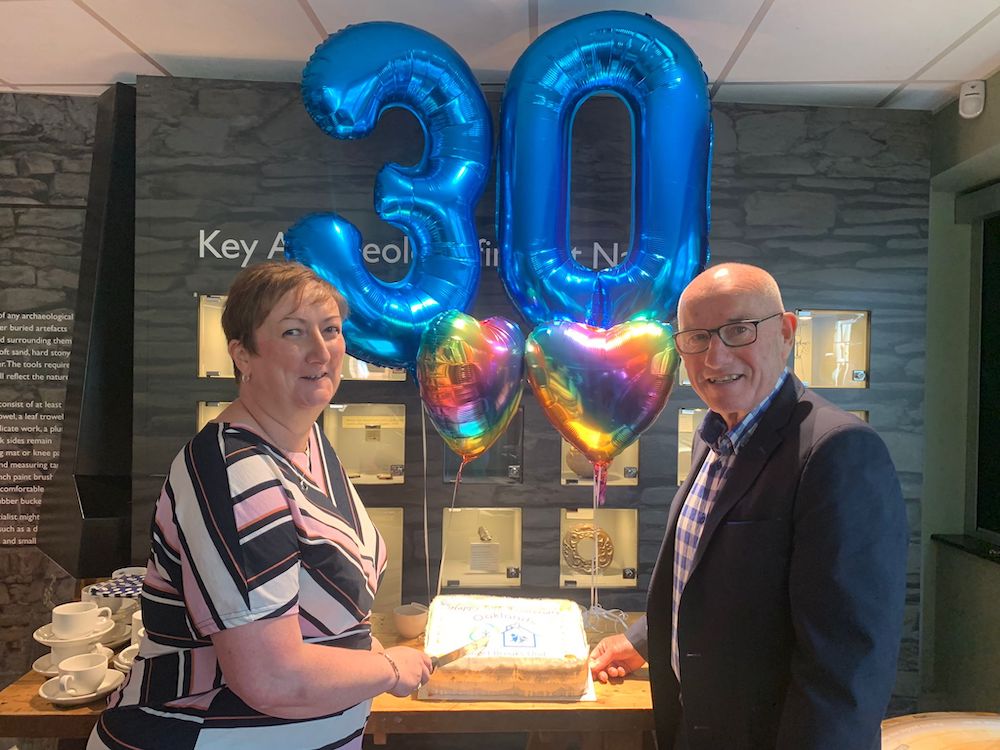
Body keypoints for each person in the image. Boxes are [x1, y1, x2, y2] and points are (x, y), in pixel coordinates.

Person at [89, 261, 431, 750]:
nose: (321, 350)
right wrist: (390, 668)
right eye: (294, 332)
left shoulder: (309, 442)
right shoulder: (233, 469)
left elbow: (326, 618)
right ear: (242, 354)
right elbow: (271, 678)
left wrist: (366, 652)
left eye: (331, 330)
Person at [589, 263, 908, 750]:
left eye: (738, 330)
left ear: (785, 332)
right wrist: (640, 642)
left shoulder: (837, 451)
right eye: (696, 337)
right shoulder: (717, 436)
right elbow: (713, 585)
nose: (715, 356)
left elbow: (846, 672)